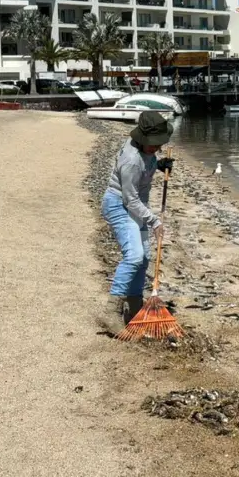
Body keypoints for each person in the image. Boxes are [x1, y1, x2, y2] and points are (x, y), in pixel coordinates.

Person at [102, 111, 175, 323]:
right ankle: (111, 312)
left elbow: (146, 164)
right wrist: (154, 221)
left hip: (136, 206)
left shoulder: (142, 149)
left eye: (159, 144)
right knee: (134, 256)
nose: (156, 148)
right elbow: (130, 200)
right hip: (120, 206)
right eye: (153, 144)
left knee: (144, 259)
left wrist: (158, 165)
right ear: (142, 140)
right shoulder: (131, 161)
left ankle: (134, 306)